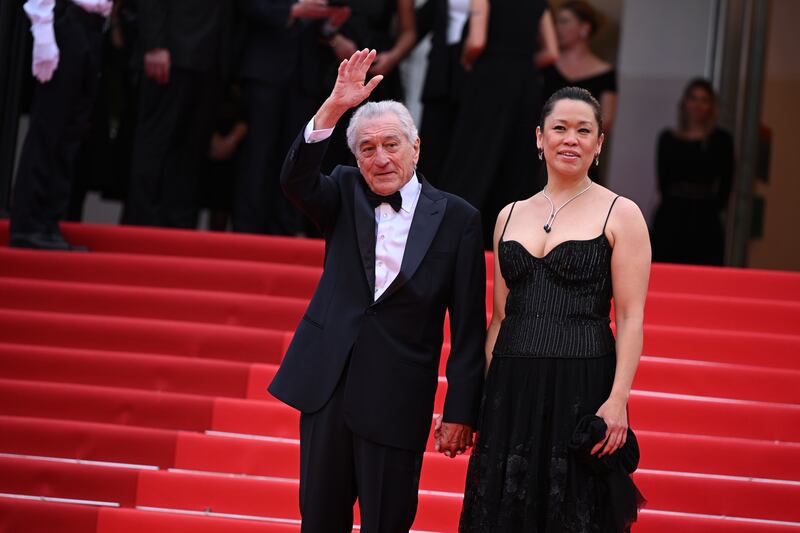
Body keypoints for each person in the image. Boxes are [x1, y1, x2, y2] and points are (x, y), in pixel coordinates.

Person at [268, 49, 486, 532]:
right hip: (328, 387)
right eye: (367, 148)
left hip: (398, 398)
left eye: (391, 144)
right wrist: (333, 107)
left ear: (416, 147)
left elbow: (469, 328)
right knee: (319, 521)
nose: (381, 157)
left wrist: (460, 411)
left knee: (387, 523)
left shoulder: (459, 219)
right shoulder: (343, 190)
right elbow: (295, 180)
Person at [459, 87, 649, 532]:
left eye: (584, 130)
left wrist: (618, 400)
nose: (571, 139)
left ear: (599, 143)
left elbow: (630, 316)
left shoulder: (621, 214)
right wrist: (485, 399)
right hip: (512, 385)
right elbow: (500, 316)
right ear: (539, 138)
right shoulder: (508, 215)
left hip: (582, 384)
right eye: (560, 128)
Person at [441, 0, 558, 248]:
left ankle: (451, 239)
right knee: (516, 163)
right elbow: (552, 52)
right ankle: (513, 242)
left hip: (489, 80)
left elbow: (476, 41)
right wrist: (521, 65)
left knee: (473, 157)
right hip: (526, 85)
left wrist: (467, 60)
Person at [232, 0, 350, 236]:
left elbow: (318, 31)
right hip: (265, 72)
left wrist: (330, 26)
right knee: (258, 153)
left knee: (296, 157)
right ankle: (246, 229)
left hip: (305, 79)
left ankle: (285, 230)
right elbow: (247, 6)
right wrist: (293, 10)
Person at [9, 0, 111, 250]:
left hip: (93, 28)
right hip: (67, 24)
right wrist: (43, 33)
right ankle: (28, 223)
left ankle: (49, 222)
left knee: (70, 134)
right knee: (49, 128)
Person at [124, 0, 233, 228]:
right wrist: (155, 44)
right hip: (170, 53)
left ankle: (178, 227)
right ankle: (142, 224)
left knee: (192, 150)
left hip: (212, 57)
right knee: (155, 143)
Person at [652, 78, 734, 266]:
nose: (697, 105)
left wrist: (710, 208)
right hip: (671, 215)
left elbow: (726, 183)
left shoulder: (721, 141)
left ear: (711, 106)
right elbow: (662, 180)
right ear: (684, 103)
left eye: (704, 100)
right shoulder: (668, 138)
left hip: (705, 219)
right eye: (693, 99)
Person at [413, 0, 470, 185]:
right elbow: (414, 27)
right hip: (440, 75)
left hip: (475, 79)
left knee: (467, 152)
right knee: (431, 149)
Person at [542, 0, 617, 133]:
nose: (557, 28)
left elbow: (606, 121)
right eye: (556, 22)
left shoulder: (605, 73)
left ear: (584, 28)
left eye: (564, 21)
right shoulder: (546, 63)